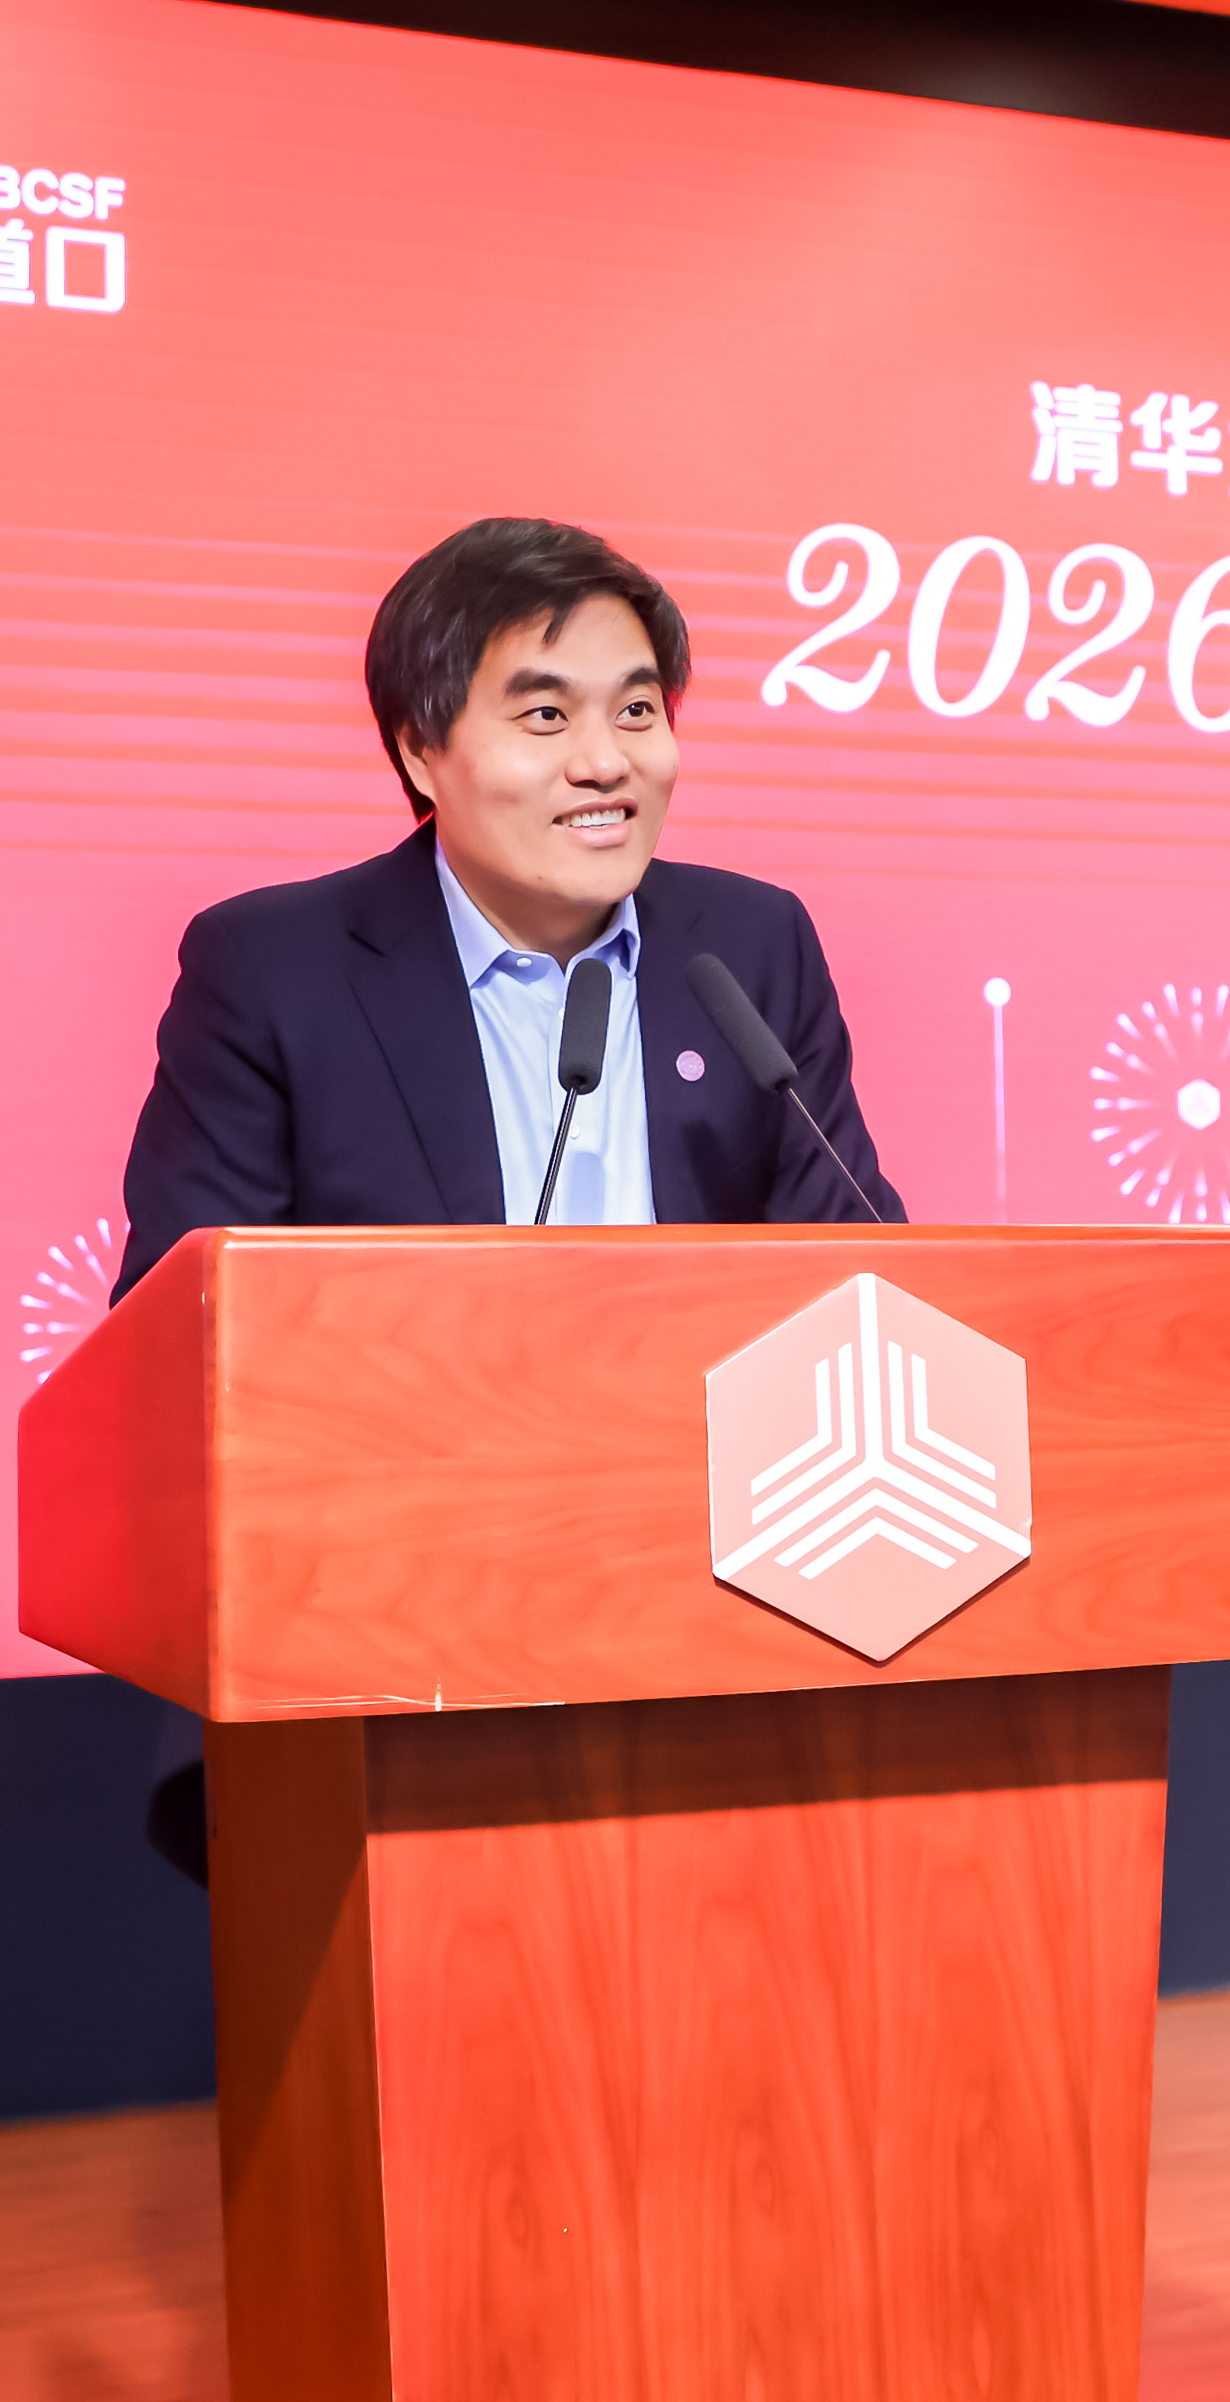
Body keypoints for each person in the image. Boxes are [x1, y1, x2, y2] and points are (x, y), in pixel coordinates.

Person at [114, 516, 906, 1881]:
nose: (606, 761)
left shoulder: (751, 943)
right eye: (546, 716)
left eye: (638, 712)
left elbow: (857, 1265)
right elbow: (179, 1330)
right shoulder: (275, 969)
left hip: (737, 1607)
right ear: (421, 752)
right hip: (391, 1622)